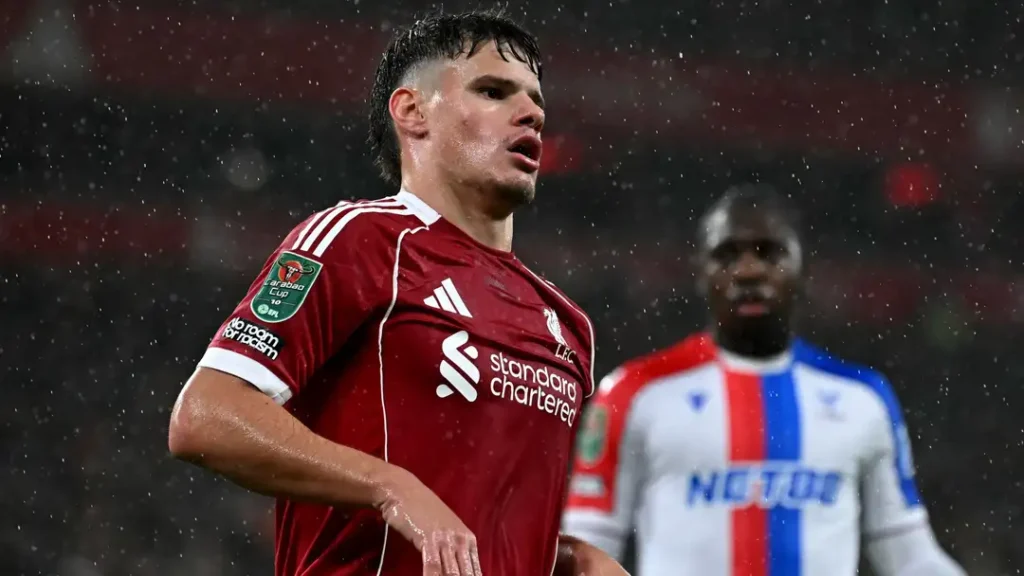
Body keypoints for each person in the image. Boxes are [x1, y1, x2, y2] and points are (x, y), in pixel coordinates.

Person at [168, 10, 626, 576]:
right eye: (492, 91)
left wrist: (569, 558)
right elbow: (205, 416)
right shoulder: (360, 240)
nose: (532, 113)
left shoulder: (565, 323)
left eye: (535, 100)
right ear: (412, 112)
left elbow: (484, 527)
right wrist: (390, 486)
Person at [561, 184, 967, 576]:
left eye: (769, 253)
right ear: (700, 272)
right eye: (727, 255)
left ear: (803, 269)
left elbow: (909, 555)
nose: (749, 271)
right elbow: (585, 547)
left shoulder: (863, 398)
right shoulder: (633, 393)